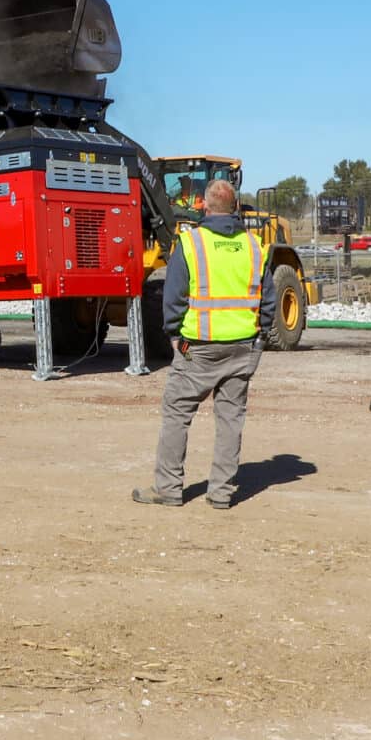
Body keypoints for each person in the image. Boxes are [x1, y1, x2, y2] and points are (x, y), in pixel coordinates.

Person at [133, 179, 275, 510]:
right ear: (236, 208)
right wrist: (260, 339)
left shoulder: (191, 243)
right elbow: (267, 300)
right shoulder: (255, 246)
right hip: (242, 348)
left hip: (198, 347)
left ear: (204, 207)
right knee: (230, 420)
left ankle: (168, 488)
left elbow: (174, 297)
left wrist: (173, 336)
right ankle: (222, 493)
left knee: (177, 414)